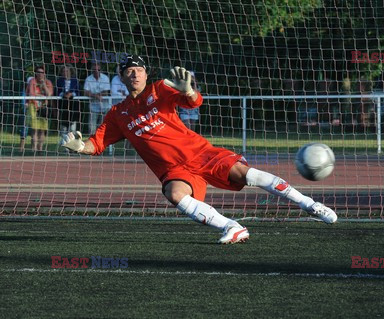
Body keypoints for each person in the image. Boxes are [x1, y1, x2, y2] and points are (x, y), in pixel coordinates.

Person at [62, 55, 337, 244]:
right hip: (174, 170)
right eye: (128, 71)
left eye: (139, 70)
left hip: (200, 153)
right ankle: (232, 227)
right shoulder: (117, 114)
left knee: (246, 174)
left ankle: (311, 205)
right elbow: (96, 144)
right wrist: (80, 146)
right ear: (121, 77)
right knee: (174, 194)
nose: (134, 74)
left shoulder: (159, 90)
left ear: (146, 74)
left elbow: (193, 103)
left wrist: (190, 90)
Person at [26, 65, 54, 151]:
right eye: (38, 72)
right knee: (34, 129)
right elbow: (31, 94)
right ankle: (33, 149)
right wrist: (41, 96)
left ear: (44, 74)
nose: (40, 74)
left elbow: (49, 94)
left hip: (43, 107)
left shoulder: (48, 82)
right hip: (33, 105)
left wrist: (43, 85)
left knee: (42, 129)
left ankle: (40, 149)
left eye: (42, 72)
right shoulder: (32, 81)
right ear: (35, 73)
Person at [83, 62, 111, 135]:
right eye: (94, 70)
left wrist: (93, 95)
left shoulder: (105, 78)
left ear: (100, 70)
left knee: (102, 127)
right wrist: (97, 96)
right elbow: (85, 92)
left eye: (98, 69)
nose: (96, 71)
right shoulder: (88, 79)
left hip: (105, 106)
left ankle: (102, 144)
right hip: (93, 107)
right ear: (92, 70)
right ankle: (92, 144)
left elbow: (106, 92)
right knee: (91, 128)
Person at [56, 64, 81, 139]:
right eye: (63, 71)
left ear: (70, 72)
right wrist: (63, 94)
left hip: (73, 106)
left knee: (72, 129)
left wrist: (71, 94)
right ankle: (65, 148)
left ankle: (72, 147)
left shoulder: (75, 81)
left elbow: (79, 92)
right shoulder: (59, 81)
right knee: (63, 128)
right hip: (63, 106)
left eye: (67, 71)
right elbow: (57, 91)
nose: (65, 73)